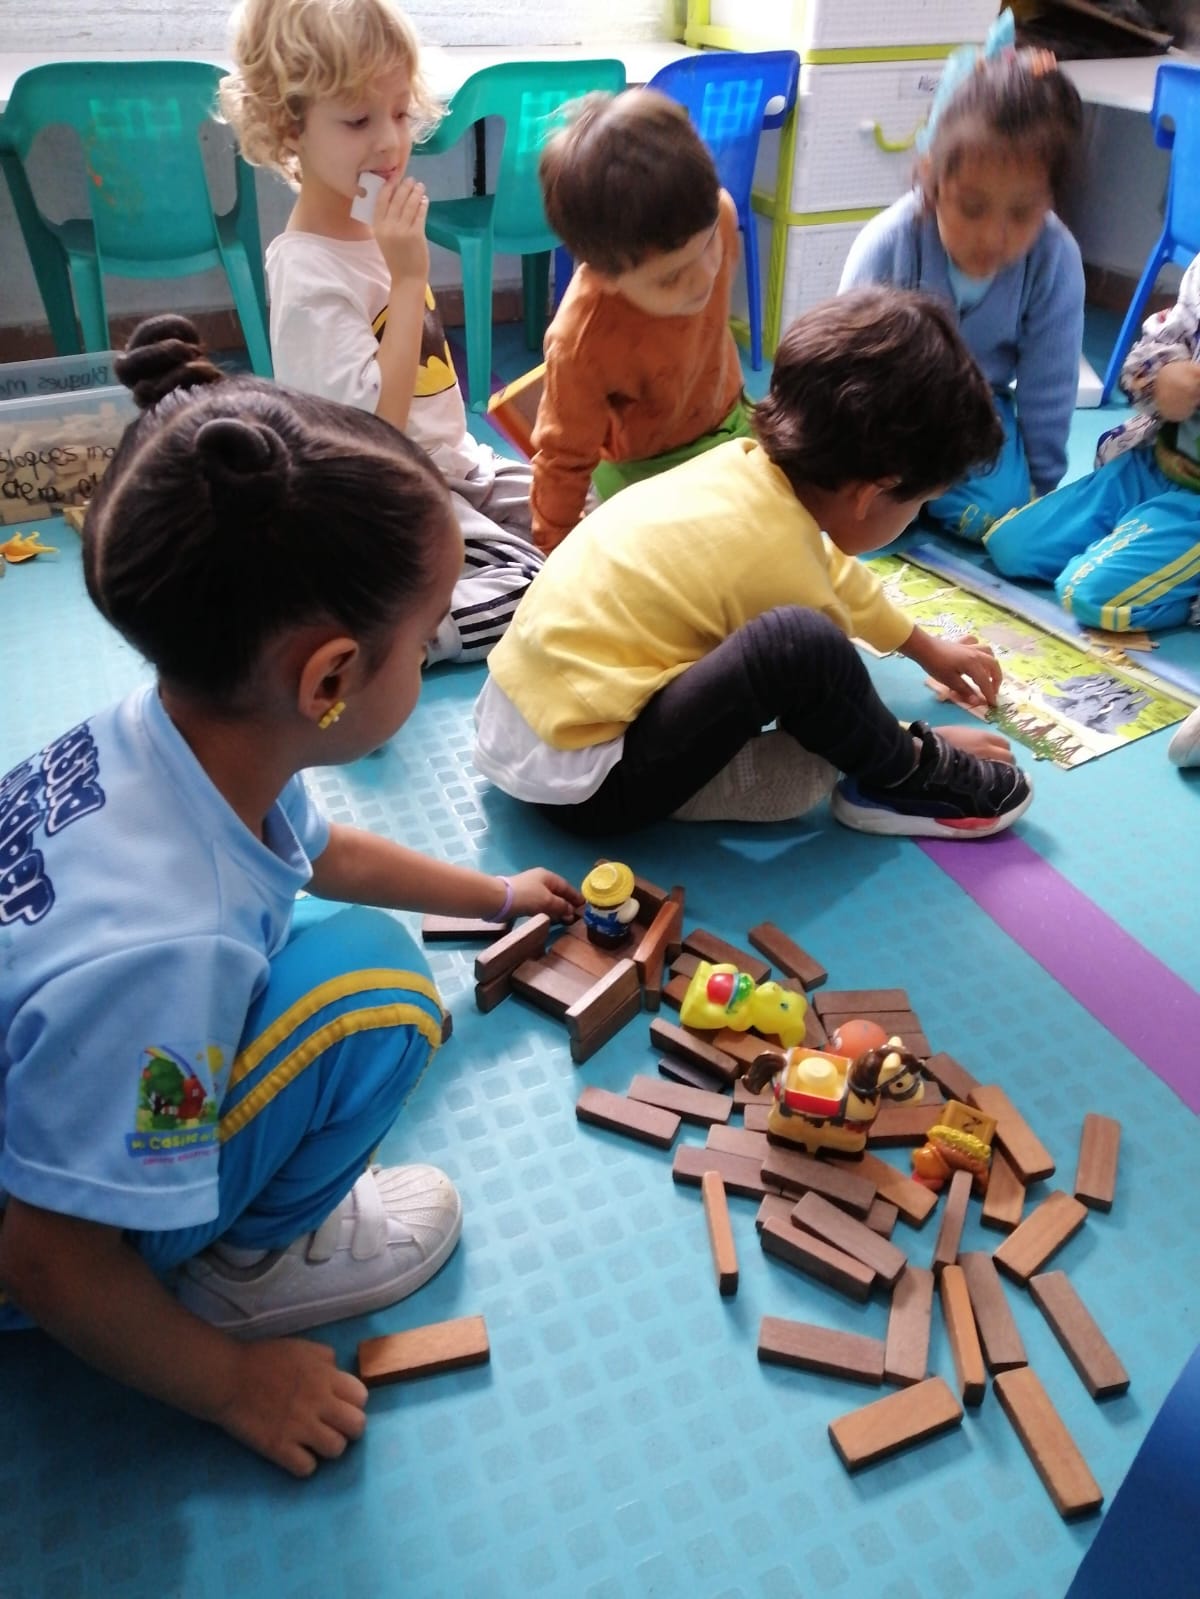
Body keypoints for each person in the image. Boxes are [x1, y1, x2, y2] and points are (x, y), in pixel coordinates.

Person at [0, 316, 580, 1478]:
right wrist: (232, 1389)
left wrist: (496, 889)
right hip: (49, 1247)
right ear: (326, 680)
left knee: (323, 934)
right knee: (379, 995)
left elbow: (322, 853)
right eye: (420, 647)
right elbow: (46, 1257)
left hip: (49, 1097)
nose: (426, 667)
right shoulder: (170, 948)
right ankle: (252, 1263)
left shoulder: (162, 742)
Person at [473, 287, 1034, 839]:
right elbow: (832, 696)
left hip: (518, 727)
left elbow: (832, 569)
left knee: (795, 676)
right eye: (919, 503)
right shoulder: (781, 563)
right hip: (587, 789)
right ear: (870, 493)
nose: (917, 514)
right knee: (802, 660)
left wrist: (924, 647)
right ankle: (907, 777)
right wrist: (907, 741)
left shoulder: (742, 464)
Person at [219, 0, 544, 664]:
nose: (391, 142)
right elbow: (375, 438)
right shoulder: (308, 271)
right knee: (533, 583)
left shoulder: (377, 224)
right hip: (382, 499)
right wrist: (404, 280)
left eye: (399, 113)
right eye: (358, 119)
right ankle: (398, 640)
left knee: (598, 513)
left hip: (452, 467)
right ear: (289, 125)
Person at [838, 9, 1084, 541]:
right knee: (851, 503)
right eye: (972, 208)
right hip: (885, 412)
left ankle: (932, 503)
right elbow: (841, 367)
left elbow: (1050, 384)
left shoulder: (1054, 259)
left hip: (977, 415)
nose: (995, 236)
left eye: (1021, 214)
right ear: (930, 178)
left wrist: (1041, 493)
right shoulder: (890, 241)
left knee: (998, 513)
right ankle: (917, 501)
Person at [529, 88, 752, 553]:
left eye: (708, 246)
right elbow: (562, 461)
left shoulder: (719, 214)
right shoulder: (580, 341)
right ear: (605, 276)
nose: (703, 278)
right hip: (642, 472)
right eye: (671, 278)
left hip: (730, 423)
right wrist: (556, 556)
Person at [987, 251, 1200, 636]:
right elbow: (1143, 360)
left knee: (1085, 594)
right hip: (1151, 464)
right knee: (1010, 546)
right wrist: (1161, 379)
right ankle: (1137, 542)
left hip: (1193, 508)